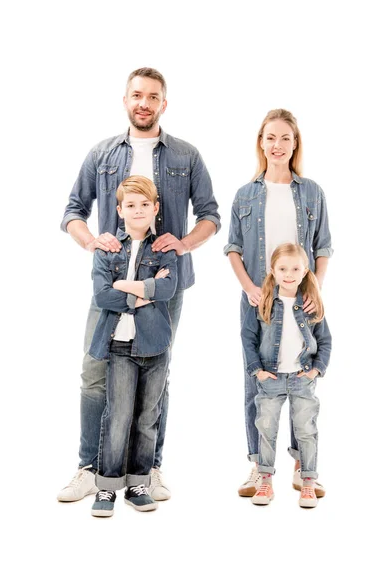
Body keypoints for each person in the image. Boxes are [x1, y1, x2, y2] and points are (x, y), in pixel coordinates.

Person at [58, 67, 220, 503]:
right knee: (94, 374)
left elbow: (210, 216)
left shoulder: (186, 155)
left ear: (163, 104)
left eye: (152, 96)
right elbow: (73, 210)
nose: (144, 102)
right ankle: (89, 468)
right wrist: (91, 239)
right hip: (111, 283)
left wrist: (183, 243)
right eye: (136, 95)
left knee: (156, 375)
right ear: (125, 100)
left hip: (165, 285)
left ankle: (149, 469)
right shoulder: (102, 154)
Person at [224, 109, 332, 498]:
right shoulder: (246, 194)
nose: (277, 145)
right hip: (260, 299)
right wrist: (251, 287)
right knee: (258, 377)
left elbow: (323, 247)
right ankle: (259, 465)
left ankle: (305, 465)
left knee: (302, 375)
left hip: (302, 299)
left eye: (285, 137)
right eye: (270, 137)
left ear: (295, 143)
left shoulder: (312, 192)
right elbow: (233, 248)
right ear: (261, 142)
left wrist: (314, 290)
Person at [89, 176, 177, 516]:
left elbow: (169, 289)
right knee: (117, 415)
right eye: (130, 205)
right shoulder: (107, 248)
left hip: (154, 346)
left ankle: (138, 482)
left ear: (155, 208)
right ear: (119, 209)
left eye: (144, 205)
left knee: (146, 417)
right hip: (119, 345)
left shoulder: (166, 248)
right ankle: (107, 486)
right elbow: (102, 294)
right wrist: (144, 292)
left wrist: (124, 286)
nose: (137, 211)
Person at [241, 243, 331, 507]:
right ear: (272, 270)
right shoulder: (263, 303)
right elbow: (248, 338)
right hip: (271, 379)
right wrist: (257, 370)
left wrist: (317, 369)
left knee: (306, 430)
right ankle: (265, 482)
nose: (288, 274)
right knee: (266, 429)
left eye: (295, 269)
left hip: (302, 379)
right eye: (282, 268)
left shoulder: (311, 305)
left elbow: (325, 340)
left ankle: (308, 482)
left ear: (305, 272)